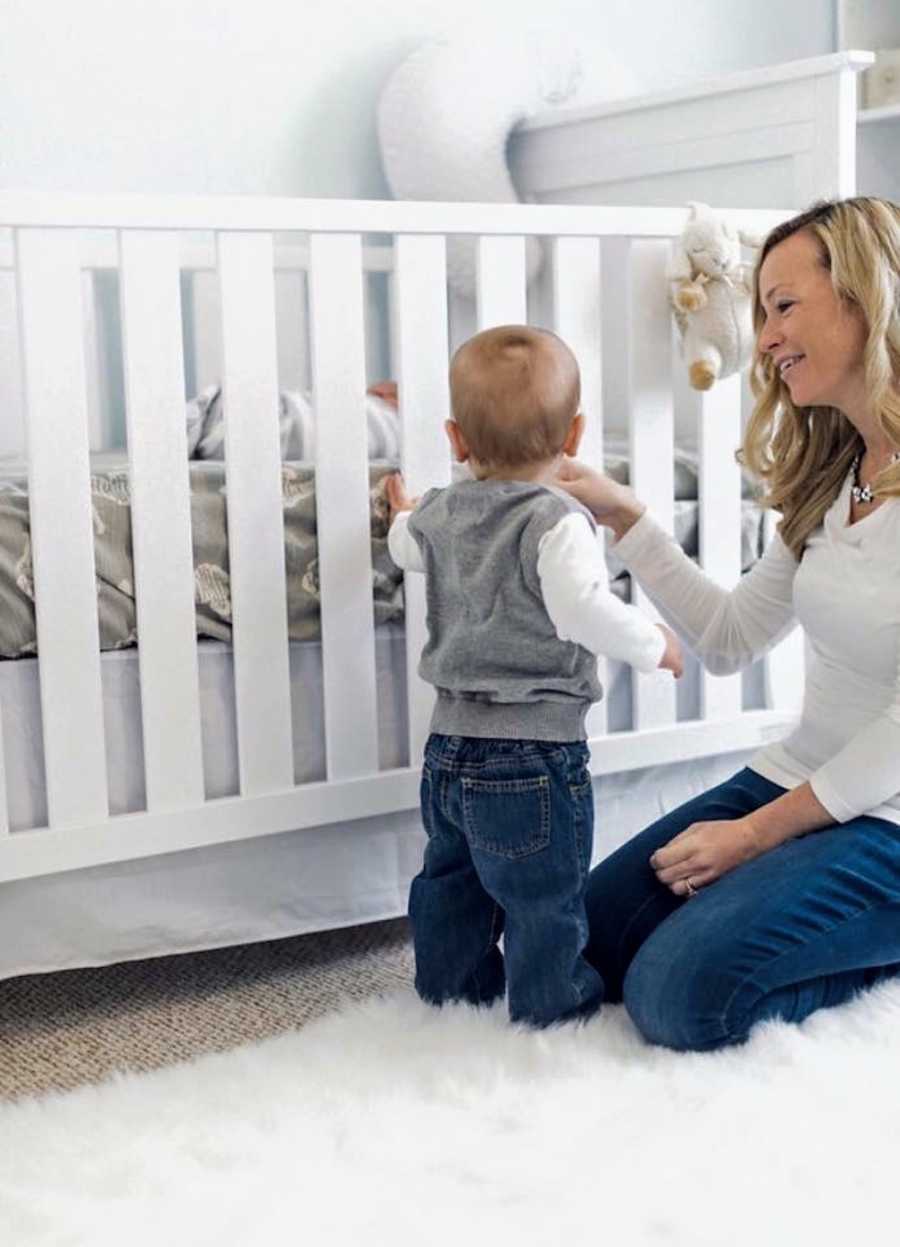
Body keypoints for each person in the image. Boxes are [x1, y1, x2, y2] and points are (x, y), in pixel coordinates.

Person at [556, 196, 900, 1051]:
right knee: (592, 940)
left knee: (679, 995)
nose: (767, 337)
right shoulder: (838, 477)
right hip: (803, 775)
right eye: (762, 313)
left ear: (865, 296)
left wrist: (753, 838)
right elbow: (730, 635)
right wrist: (624, 516)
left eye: (785, 306)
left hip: (889, 815)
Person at [386, 325, 683, 1027]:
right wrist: (654, 644)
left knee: (451, 883)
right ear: (574, 433)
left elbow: (404, 545)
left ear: (457, 440)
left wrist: (398, 508)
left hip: (449, 751)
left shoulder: (439, 512)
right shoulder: (556, 521)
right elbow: (584, 609)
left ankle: (451, 999)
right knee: (543, 896)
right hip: (534, 753)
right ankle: (554, 1015)